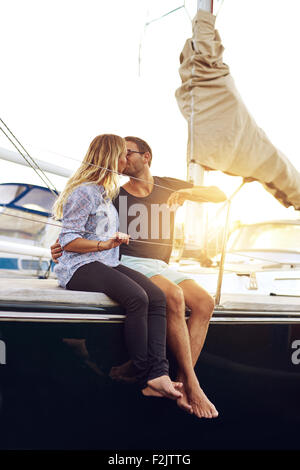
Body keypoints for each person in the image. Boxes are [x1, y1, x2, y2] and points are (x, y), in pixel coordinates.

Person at [52, 136, 225, 419]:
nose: (124, 158)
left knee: (205, 302)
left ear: (146, 157)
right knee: (172, 297)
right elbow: (81, 228)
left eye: (129, 153)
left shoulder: (168, 185)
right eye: (121, 154)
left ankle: (179, 379)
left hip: (160, 264)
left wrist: (188, 195)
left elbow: (219, 194)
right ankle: (190, 387)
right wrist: (60, 246)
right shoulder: (113, 194)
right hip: (128, 260)